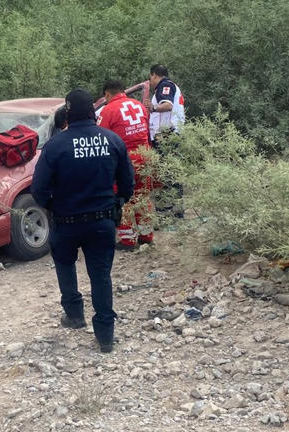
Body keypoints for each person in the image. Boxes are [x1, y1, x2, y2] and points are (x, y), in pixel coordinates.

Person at [32, 89, 134, 353]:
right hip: (102, 221)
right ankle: (105, 336)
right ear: (92, 111)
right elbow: (127, 185)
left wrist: (54, 206)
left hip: (66, 220)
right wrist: (116, 203)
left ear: (68, 114)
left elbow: (39, 190)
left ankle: (75, 314)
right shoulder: (112, 140)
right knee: (100, 275)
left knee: (65, 265)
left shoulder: (55, 146)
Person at [97, 79, 155, 250]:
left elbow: (101, 138)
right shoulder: (139, 105)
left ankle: (128, 240)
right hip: (145, 155)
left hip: (125, 161)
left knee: (124, 198)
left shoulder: (108, 110)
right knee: (143, 196)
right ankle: (146, 236)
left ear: (107, 94)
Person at [145, 64, 186, 145]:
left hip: (167, 134)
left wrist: (153, 107)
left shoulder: (165, 85)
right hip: (171, 133)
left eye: (150, 78)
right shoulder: (170, 85)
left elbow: (168, 105)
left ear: (154, 75)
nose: (150, 81)